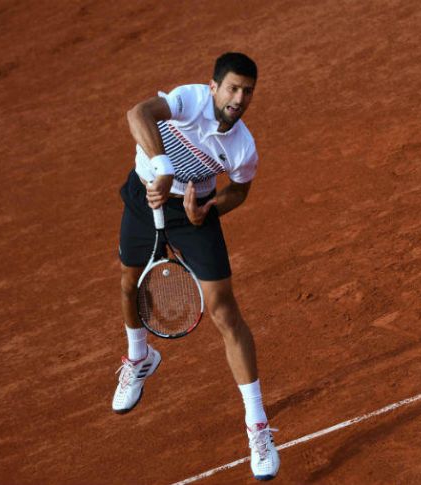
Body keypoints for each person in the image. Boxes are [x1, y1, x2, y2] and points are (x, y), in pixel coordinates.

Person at [113, 52, 279, 481]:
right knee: (130, 283)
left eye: (247, 92)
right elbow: (138, 113)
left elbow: (239, 192)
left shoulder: (243, 146)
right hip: (145, 192)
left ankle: (257, 426)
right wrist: (164, 168)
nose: (239, 98)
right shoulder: (189, 100)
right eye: (232, 88)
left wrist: (208, 207)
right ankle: (140, 357)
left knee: (224, 311)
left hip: (192, 214)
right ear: (214, 87)